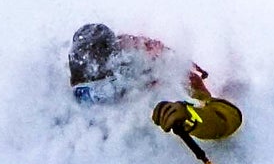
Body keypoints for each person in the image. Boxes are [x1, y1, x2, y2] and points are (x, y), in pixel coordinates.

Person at [66, 22, 243, 140]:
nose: (98, 102)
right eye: (86, 95)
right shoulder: (72, 81)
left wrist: (190, 117)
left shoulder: (160, 74)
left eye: (105, 91)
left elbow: (226, 119)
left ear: (121, 75)